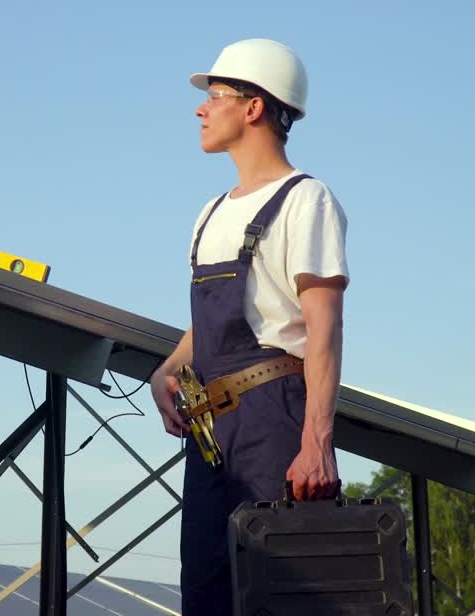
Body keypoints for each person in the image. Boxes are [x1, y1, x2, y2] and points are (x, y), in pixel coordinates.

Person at [149, 39, 350, 615]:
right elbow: (205, 330)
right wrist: (168, 369)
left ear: (254, 107)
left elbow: (324, 331)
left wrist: (317, 441)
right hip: (212, 433)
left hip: (274, 421)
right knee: (207, 594)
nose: (200, 109)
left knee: (272, 595)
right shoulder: (209, 213)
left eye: (214, 96)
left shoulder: (305, 200)